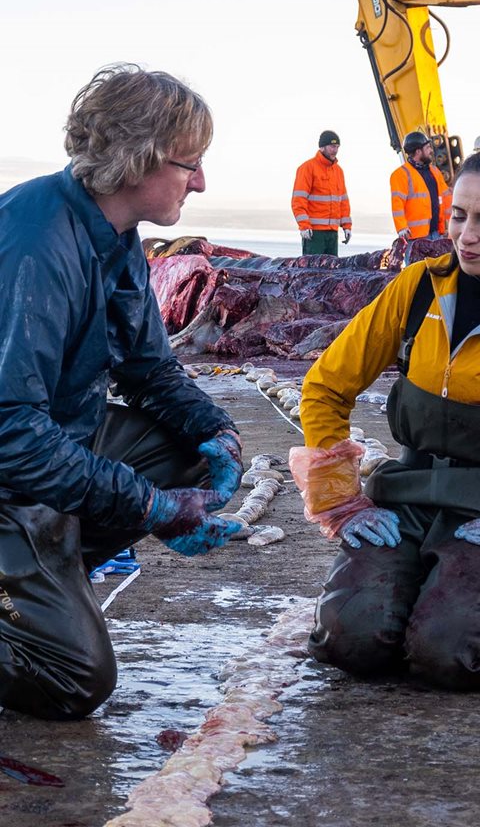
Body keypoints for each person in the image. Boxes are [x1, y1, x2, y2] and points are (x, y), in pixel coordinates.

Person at [0, 64, 244, 721]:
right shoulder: (36, 239)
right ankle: (28, 595)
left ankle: (47, 579)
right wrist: (150, 507)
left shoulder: (117, 237)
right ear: (136, 160)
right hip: (9, 468)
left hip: (52, 448)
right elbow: (10, 432)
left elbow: (148, 368)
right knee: (74, 677)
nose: (200, 181)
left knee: (186, 449)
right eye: (189, 163)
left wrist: (217, 431)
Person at [291, 151, 480, 691]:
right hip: (412, 492)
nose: (467, 235)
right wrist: (341, 500)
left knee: (448, 654)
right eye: (460, 215)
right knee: (350, 639)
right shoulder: (420, 287)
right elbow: (326, 385)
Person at [390, 131, 451, 263]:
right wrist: (401, 227)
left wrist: (451, 226)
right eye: (428, 148)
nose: (431, 151)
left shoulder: (435, 172)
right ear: (418, 151)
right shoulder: (401, 174)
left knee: (438, 275)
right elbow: (397, 203)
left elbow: (447, 199)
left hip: (437, 234)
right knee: (416, 276)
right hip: (415, 238)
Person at [291, 130, 352, 256]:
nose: (335, 150)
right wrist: (304, 226)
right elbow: (298, 201)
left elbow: (343, 202)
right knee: (312, 272)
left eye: (337, 147)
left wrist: (347, 226)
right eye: (332, 146)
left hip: (332, 234)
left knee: (332, 274)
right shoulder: (307, 168)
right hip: (314, 234)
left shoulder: (338, 171)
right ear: (322, 147)